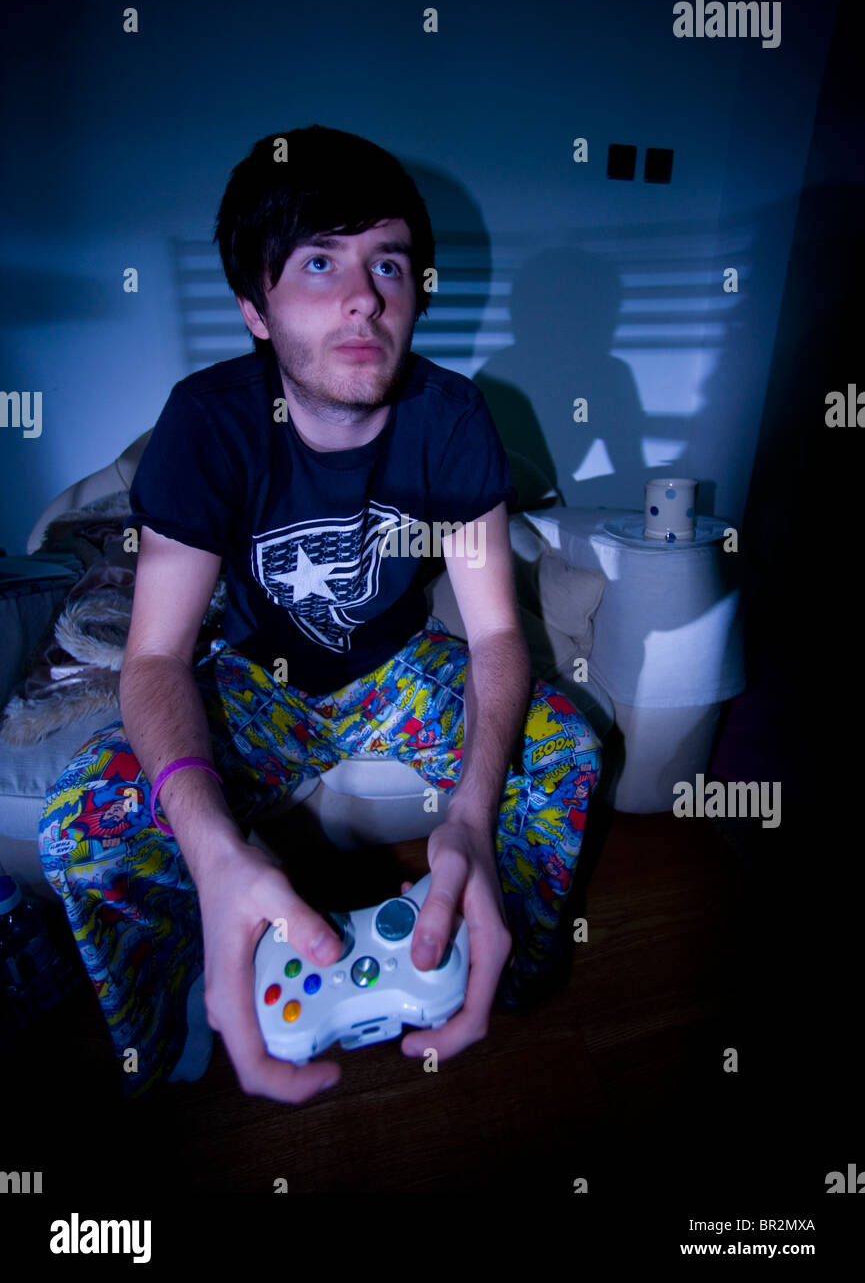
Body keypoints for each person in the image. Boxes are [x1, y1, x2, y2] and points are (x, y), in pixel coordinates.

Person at [38, 125, 602, 1103]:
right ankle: (180, 1025)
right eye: (317, 261)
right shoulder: (206, 424)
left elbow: (499, 634)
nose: (363, 296)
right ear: (255, 306)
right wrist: (213, 851)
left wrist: (469, 818)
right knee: (80, 825)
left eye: (388, 261)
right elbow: (156, 658)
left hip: (400, 670)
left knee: (568, 749)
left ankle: (504, 963)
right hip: (259, 680)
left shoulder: (456, 417)